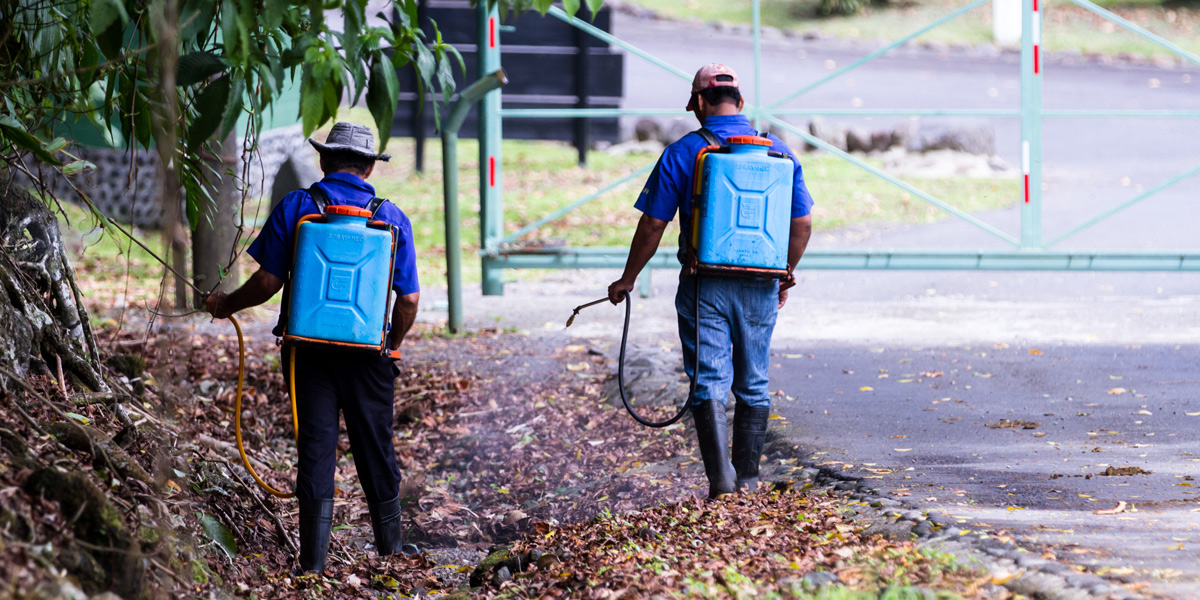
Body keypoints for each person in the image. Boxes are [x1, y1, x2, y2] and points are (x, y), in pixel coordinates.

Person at [204, 122, 420, 573]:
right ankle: (392, 552)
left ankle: (313, 565)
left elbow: (267, 282)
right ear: (367, 167)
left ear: (324, 161)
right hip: (369, 356)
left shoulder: (299, 206)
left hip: (308, 355)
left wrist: (227, 304)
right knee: (375, 446)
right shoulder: (391, 217)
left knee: (316, 447)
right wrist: (392, 347)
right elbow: (410, 298)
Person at [607, 64, 813, 499]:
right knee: (754, 379)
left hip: (705, 284)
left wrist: (628, 279)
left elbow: (652, 225)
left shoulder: (684, 153)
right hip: (761, 284)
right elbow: (803, 222)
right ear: (740, 101)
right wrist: (785, 275)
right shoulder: (779, 153)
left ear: (699, 103)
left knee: (709, 380)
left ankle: (721, 483)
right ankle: (750, 481)